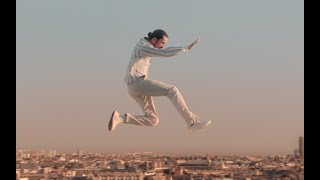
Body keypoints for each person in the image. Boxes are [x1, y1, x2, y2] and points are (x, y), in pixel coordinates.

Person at [108, 29, 212, 131]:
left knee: (153, 120)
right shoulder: (143, 46)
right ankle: (191, 122)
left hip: (135, 87)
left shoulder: (144, 45)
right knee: (172, 90)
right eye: (162, 42)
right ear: (154, 40)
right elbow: (164, 52)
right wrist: (186, 48)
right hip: (137, 83)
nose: (162, 45)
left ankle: (120, 118)